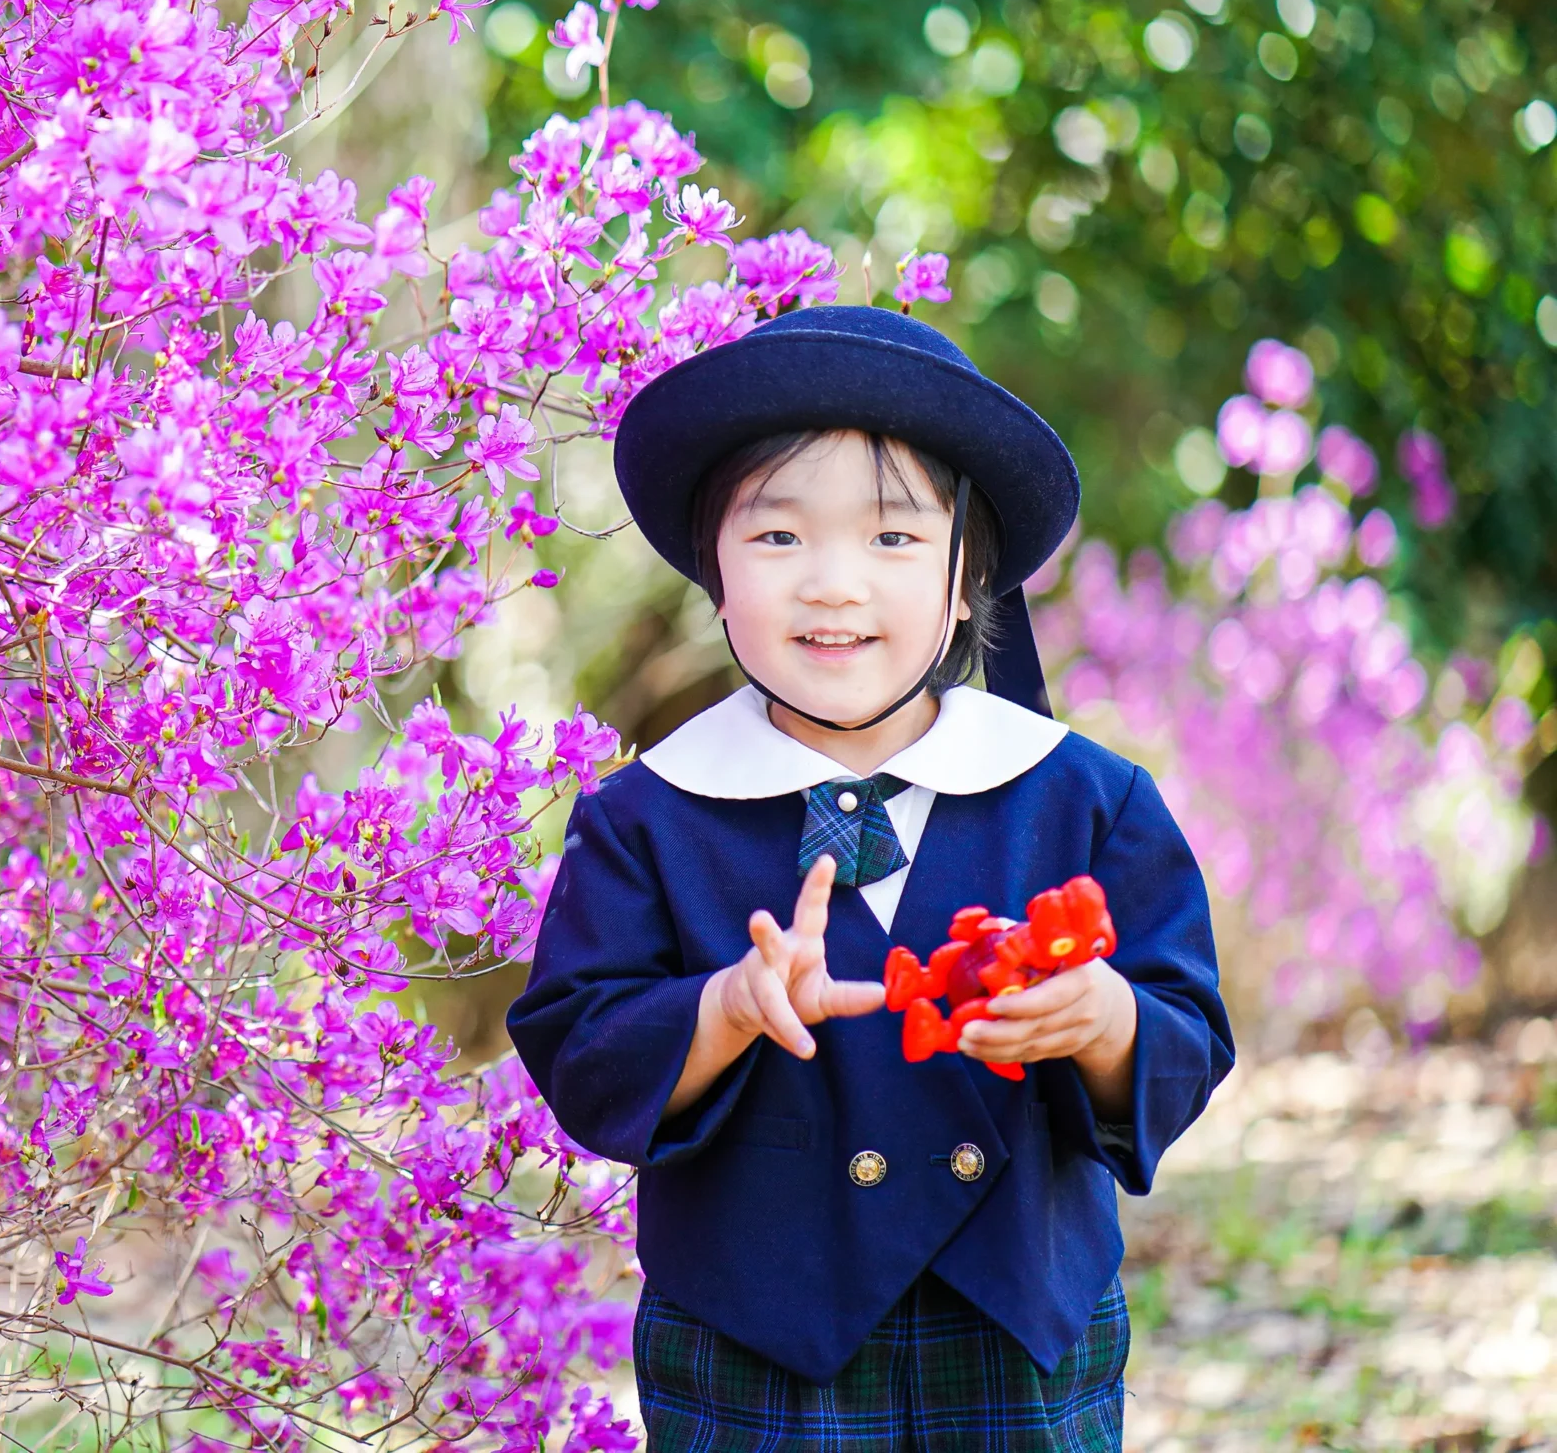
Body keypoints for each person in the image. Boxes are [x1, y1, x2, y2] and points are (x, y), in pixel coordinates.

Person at [507, 304, 1235, 1451]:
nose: (833, 586)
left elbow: (1185, 1033)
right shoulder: (647, 818)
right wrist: (725, 1006)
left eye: (893, 540)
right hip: (752, 1341)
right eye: (778, 538)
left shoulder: (1083, 798)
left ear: (963, 584)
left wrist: (1102, 1018)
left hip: (1018, 1332)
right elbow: (582, 1051)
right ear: (715, 579)